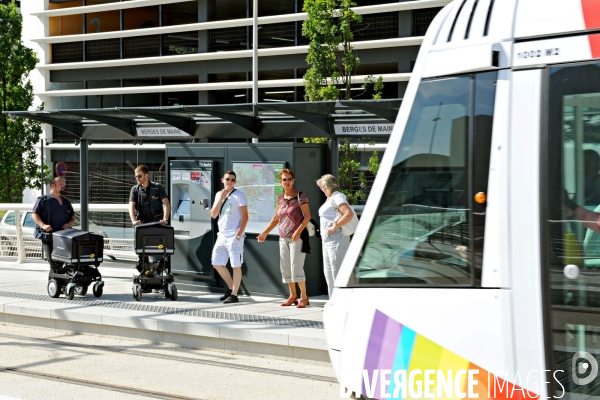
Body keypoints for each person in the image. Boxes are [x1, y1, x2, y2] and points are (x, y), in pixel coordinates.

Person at [257, 169, 312, 308]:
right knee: (286, 268)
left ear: (293, 180)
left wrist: (298, 232)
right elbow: (276, 218)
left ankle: (304, 297)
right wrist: (265, 233)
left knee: (296, 267)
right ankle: (293, 296)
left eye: (289, 179)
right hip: (283, 237)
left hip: (296, 238)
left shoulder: (300, 196)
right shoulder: (280, 198)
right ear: (280, 182)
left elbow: (307, 216)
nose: (287, 182)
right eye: (284, 179)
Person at [210, 170, 248, 304]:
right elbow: (213, 215)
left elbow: (245, 216)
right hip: (222, 234)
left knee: (235, 265)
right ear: (222, 180)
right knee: (216, 262)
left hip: (234, 235)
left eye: (232, 180)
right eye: (228, 179)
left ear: (235, 182)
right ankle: (232, 288)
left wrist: (239, 234)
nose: (230, 182)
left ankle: (234, 294)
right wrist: (220, 199)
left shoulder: (239, 195)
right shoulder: (218, 194)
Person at [128, 165, 170, 282]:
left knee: (157, 252)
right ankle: (146, 278)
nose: (137, 179)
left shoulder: (157, 188)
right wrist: (133, 221)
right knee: (142, 253)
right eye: (136, 176)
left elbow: (166, 204)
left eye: (140, 176)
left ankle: (158, 279)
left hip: (156, 225)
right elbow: (131, 206)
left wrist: (165, 219)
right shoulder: (135, 190)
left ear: (146, 175)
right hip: (142, 226)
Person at [316, 174, 354, 297]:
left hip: (336, 238)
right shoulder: (330, 198)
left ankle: (342, 301)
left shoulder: (338, 197)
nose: (321, 189)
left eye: (321, 186)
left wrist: (335, 226)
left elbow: (348, 214)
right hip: (327, 240)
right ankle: (333, 301)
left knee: (337, 271)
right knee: (328, 272)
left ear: (326, 186)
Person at [32, 177, 76, 269]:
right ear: (53, 186)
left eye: (63, 184)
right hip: (48, 236)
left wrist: (70, 224)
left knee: (62, 261)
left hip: (63, 236)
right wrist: (43, 225)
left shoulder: (66, 201)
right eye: (60, 184)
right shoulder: (43, 200)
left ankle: (58, 281)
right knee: (52, 261)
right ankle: (54, 281)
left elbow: (73, 216)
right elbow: (34, 215)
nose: (63, 186)